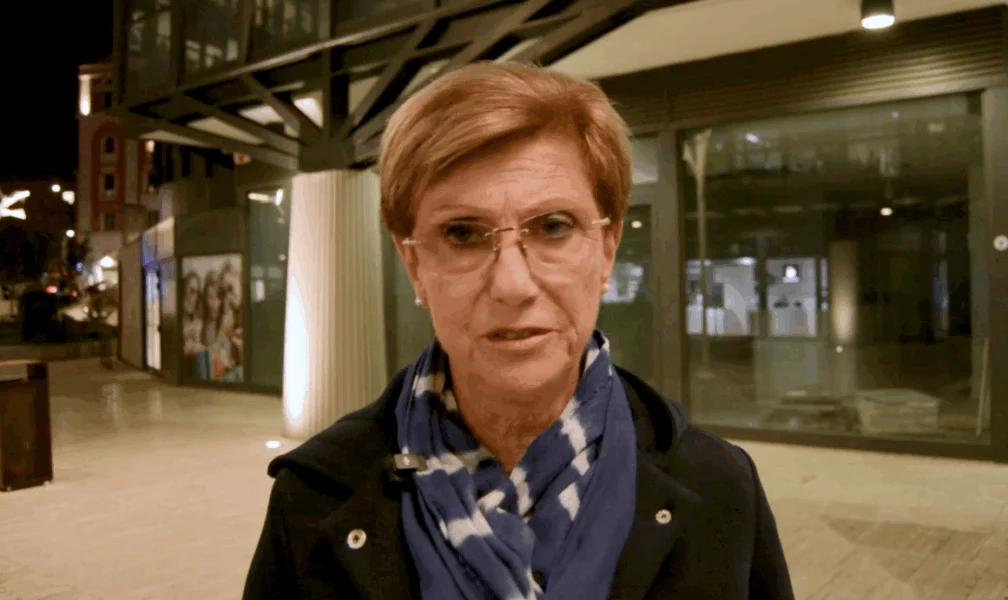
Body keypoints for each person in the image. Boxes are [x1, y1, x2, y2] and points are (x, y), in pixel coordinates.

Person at [243, 62, 794, 600]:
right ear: (414, 265)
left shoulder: (721, 488)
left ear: (606, 250)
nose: (512, 285)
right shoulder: (313, 497)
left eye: (553, 226)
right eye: (462, 233)